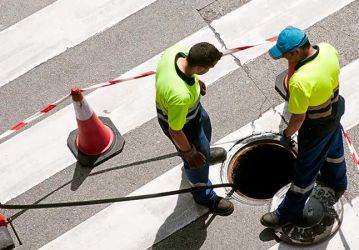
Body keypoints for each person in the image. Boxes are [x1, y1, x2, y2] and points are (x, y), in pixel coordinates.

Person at [261, 27, 348, 228]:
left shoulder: (300, 82)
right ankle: (337, 180)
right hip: (335, 111)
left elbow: (298, 117)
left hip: (315, 127)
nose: (285, 60)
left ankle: (288, 212)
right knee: (334, 150)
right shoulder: (327, 49)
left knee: (305, 170)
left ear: (296, 52)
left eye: (285, 56)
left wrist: (287, 134)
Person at [155, 42, 234, 216]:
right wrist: (190, 154)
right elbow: (175, 130)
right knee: (198, 163)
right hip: (184, 125)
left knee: (205, 127)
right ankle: (203, 195)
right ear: (200, 67)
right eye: (209, 68)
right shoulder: (180, 96)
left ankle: (204, 153)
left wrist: (197, 82)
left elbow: (182, 74)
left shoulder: (174, 52)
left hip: (193, 112)